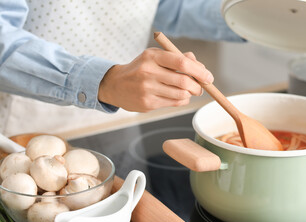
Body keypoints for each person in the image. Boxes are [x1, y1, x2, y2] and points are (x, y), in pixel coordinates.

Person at [0, 0, 244, 137]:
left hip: (121, 120)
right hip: (24, 124)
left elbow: (169, 7)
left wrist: (260, 16)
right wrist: (104, 82)